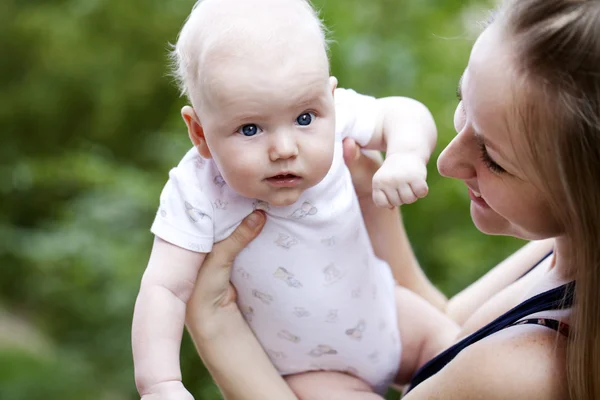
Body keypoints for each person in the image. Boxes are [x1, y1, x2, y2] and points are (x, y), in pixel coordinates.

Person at [183, 0, 600, 399]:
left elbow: (467, 363)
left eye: (494, 160)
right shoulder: (559, 250)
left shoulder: (521, 373)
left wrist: (213, 324)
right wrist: (370, 201)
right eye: (463, 103)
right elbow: (455, 334)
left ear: (583, 196)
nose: (447, 161)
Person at [132, 0, 447, 398]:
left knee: (468, 355)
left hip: (392, 316)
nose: (284, 148)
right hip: (314, 371)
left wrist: (405, 155)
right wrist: (160, 383)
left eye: (303, 119)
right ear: (199, 133)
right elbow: (163, 287)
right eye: (250, 128)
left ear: (329, 100)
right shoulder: (197, 190)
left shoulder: (335, 119)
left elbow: (404, 113)